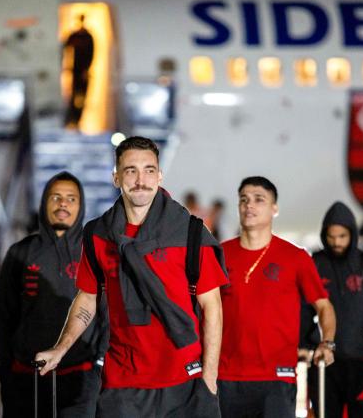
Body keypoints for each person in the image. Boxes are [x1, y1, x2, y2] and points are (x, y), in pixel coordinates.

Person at [36, 136, 227, 417]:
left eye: (149, 170)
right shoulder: (98, 235)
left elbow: (212, 307)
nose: (141, 180)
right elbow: (88, 298)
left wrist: (209, 380)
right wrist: (60, 348)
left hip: (183, 379)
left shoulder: (189, 233)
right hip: (122, 381)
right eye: (130, 171)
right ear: (116, 178)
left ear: (159, 176)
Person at [217, 176, 336, 418]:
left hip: (277, 376)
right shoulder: (219, 254)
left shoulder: (296, 257)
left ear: (274, 209)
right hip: (226, 376)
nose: (249, 205)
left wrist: (328, 342)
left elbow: (323, 306)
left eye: (259, 199)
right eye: (244, 199)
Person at [0, 172, 106, 418]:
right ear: (44, 202)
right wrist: (6, 370)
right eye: (55, 197)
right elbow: (4, 316)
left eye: (70, 198)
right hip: (25, 377)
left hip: (80, 379)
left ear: (81, 205)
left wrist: (98, 367)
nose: (63, 204)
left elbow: (107, 315)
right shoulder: (20, 253)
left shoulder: (94, 254)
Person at [308, 201, 363, 418]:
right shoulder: (315, 264)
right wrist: (306, 341)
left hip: (362, 358)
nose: (336, 242)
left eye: (342, 236)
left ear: (352, 234)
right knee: (325, 413)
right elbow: (302, 306)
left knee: (361, 412)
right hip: (324, 359)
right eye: (331, 236)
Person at [63, 14, 94, 129]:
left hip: (83, 71)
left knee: (82, 96)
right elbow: (66, 46)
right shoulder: (75, 35)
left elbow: (92, 53)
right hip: (75, 70)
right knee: (73, 95)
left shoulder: (87, 37)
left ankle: (78, 118)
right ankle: (73, 118)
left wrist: (86, 69)